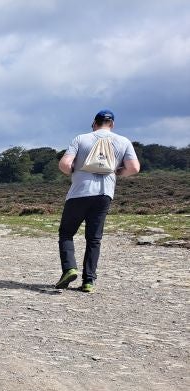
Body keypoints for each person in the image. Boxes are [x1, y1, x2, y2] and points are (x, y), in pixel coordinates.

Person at [54, 109, 140, 293]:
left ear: (94, 123)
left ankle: (69, 268)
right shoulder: (123, 141)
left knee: (66, 233)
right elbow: (134, 168)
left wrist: (73, 172)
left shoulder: (80, 139)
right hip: (104, 194)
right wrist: (117, 172)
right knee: (94, 238)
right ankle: (88, 281)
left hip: (79, 192)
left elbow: (64, 164)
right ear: (112, 124)